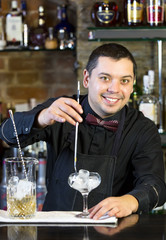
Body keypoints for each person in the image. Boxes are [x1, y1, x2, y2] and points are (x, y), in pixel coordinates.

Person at [0, 43, 166, 219]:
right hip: (55, 230)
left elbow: (156, 186)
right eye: (105, 78)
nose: (114, 89)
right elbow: (6, 135)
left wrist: (131, 201)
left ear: (132, 85)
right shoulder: (60, 110)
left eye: (124, 80)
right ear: (86, 79)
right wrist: (41, 117)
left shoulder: (143, 129)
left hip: (114, 232)